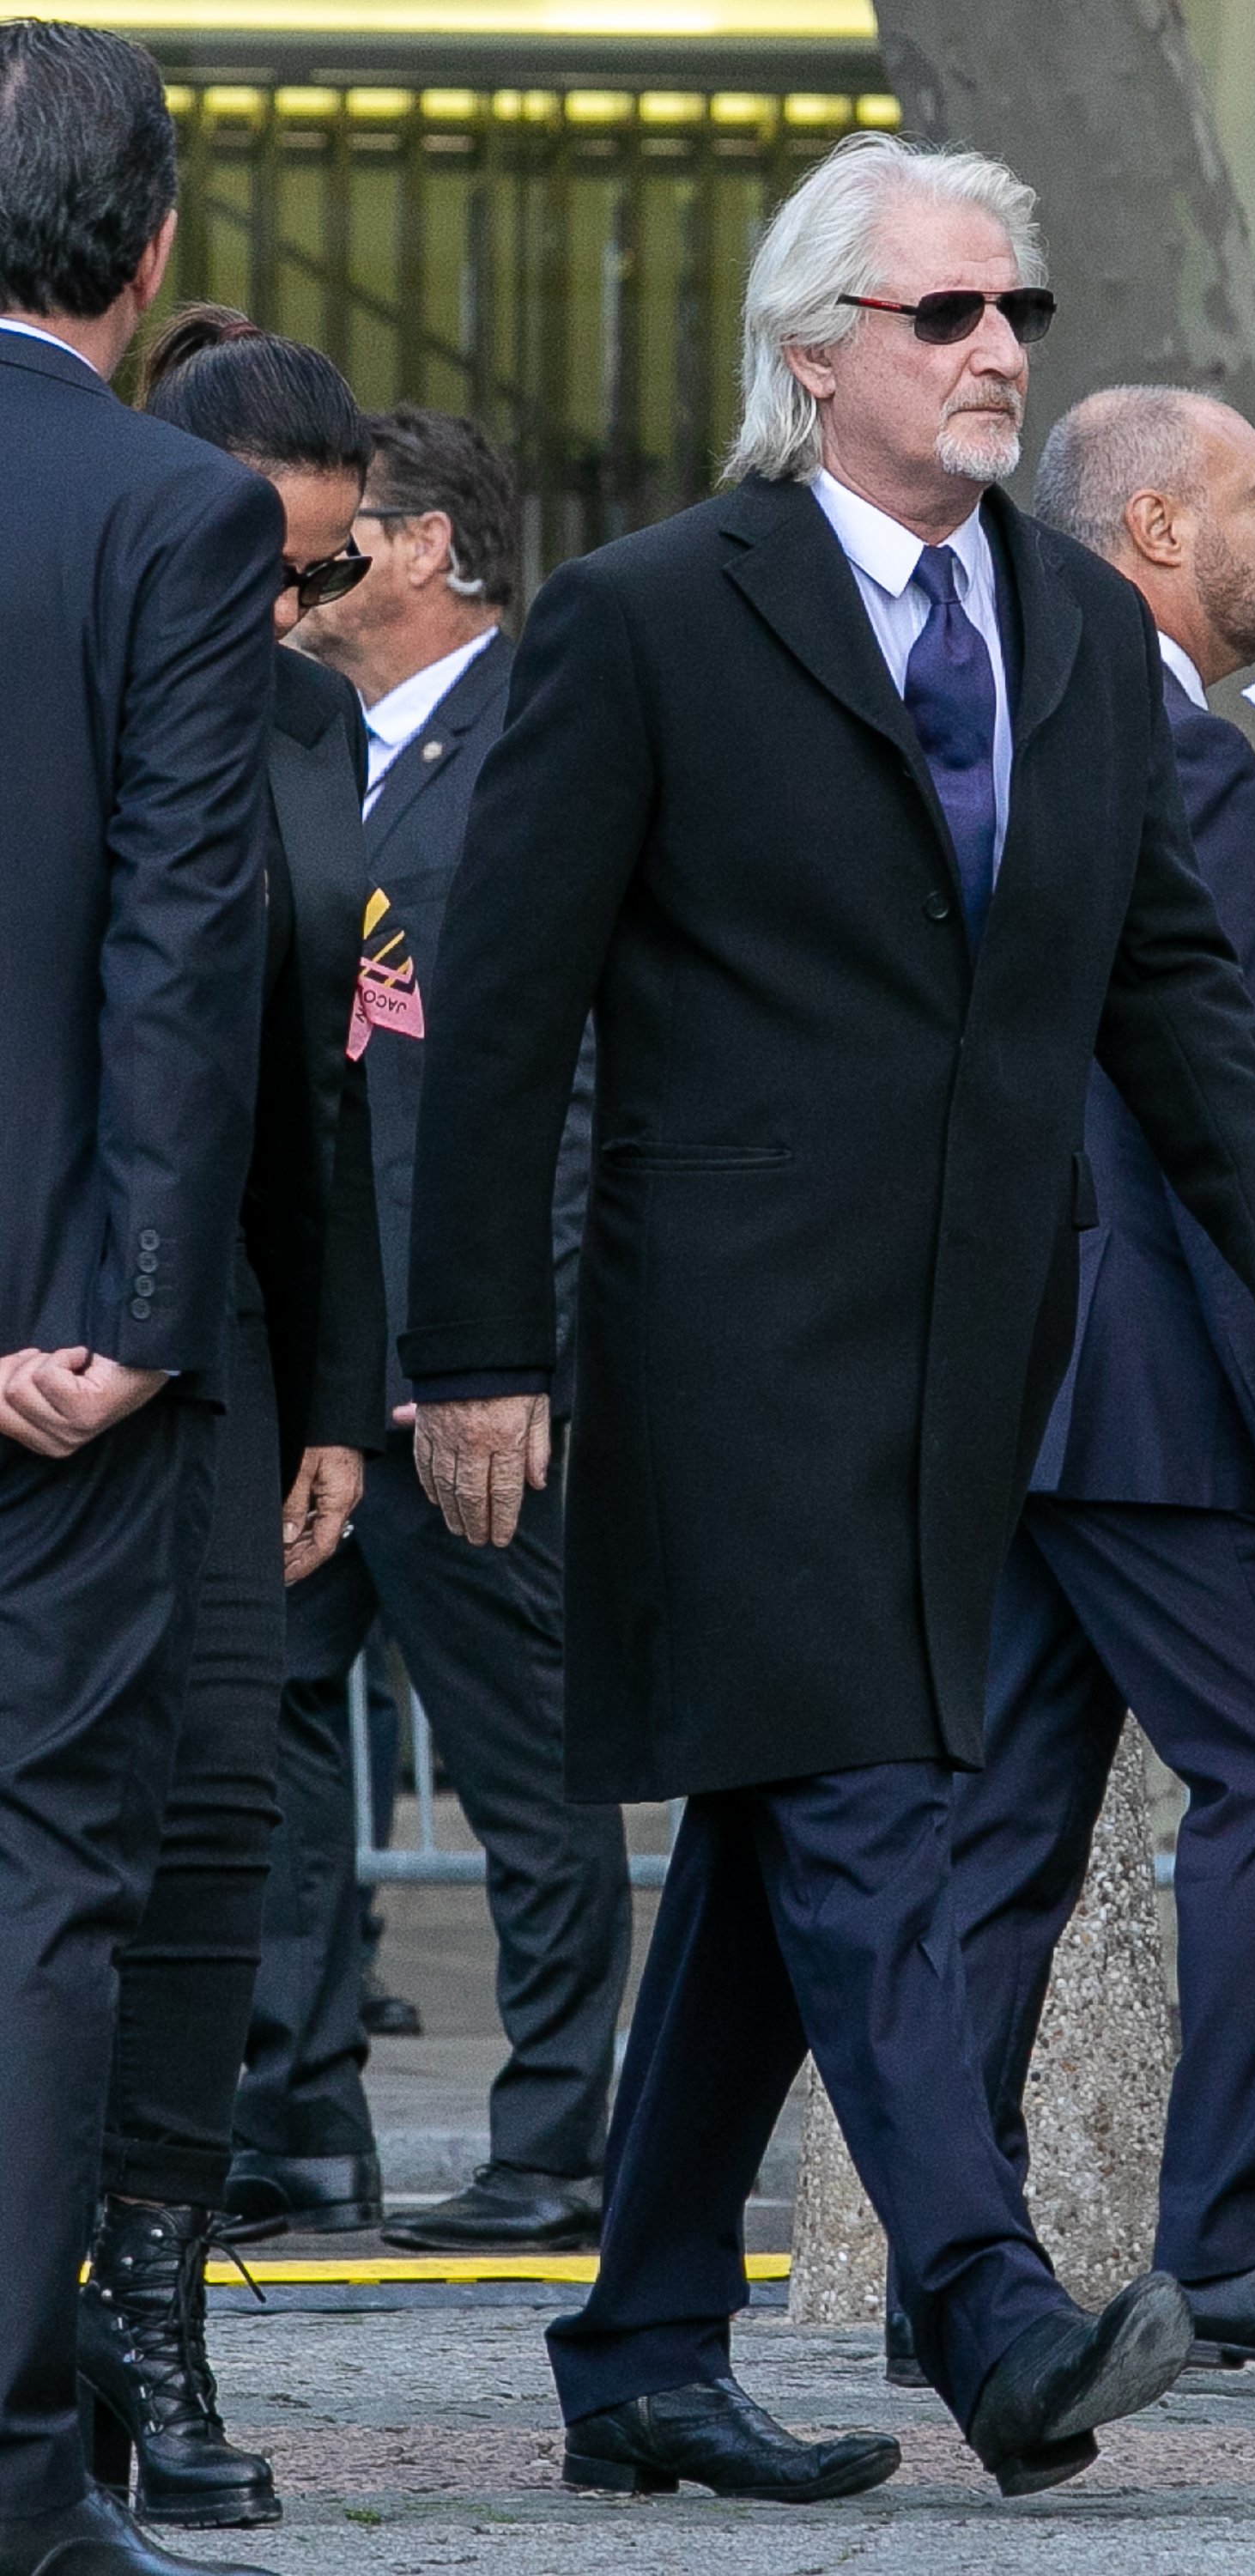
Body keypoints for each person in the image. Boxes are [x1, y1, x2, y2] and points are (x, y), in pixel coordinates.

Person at [403, 131, 1255, 2506]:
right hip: (724, 1345)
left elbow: (1158, 969)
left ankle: (640, 2353)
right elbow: (502, 1010)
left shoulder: (1056, 617)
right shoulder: (651, 615)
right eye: (943, 315)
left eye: (1010, 311)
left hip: (970, 1357)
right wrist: (467, 1355)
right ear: (816, 350)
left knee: (770, 1834)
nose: (994, 352)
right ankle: (992, 2313)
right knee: (861, 1811)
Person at [879, 387, 1255, 2391]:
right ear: (1151, 521)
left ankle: (943, 2283)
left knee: (1003, 1830)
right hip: (1141, 1381)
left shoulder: (988, 715)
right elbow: (1199, 1103)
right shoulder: (1183, 756)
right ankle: (1226, 2236)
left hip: (998, 1379)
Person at [227, 403, 629, 2256]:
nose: (304, 577)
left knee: (525, 1761)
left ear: (426, 550)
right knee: (277, 1731)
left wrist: (509, 1355)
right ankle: (297, 2118)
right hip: (322, 1362)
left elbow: (558, 1087)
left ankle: (556, 2137)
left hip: (462, 1364)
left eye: (341, 537)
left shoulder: (533, 739)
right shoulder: (309, 747)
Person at [0, 28, 282, 2576]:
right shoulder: (174, 517)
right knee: (45, 1875)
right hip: (52, 1371)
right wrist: (114, 1306)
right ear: (154, 248)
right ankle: (10, 2472)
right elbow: (176, 948)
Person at [69, 305, 388, 2536]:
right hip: (49, 1304)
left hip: (242, 1340)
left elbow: (313, 1106)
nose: (296, 608)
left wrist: (343, 1401)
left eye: (330, 573)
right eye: (274, 562)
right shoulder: (69, 635)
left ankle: (154, 2307)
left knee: (216, 1823)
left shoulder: (307, 722)